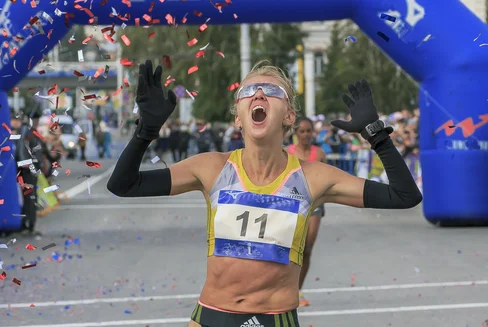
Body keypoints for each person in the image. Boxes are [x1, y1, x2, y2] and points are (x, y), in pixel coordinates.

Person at [107, 59, 422, 327]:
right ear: (238, 117)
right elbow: (123, 184)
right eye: (248, 92)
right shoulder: (210, 168)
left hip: (275, 317)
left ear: (288, 116)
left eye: (272, 91)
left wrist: (376, 135)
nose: (258, 94)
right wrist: (145, 131)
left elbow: (404, 195)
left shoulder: (313, 177)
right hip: (210, 316)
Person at [284, 117, 326, 307]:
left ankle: (297, 292)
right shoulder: (287, 153)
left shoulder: (319, 154)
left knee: (307, 249)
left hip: (315, 206)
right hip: (292, 206)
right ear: (296, 133)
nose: (306, 135)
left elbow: (328, 179)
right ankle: (284, 288)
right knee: (291, 250)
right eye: (302, 131)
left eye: (309, 131)